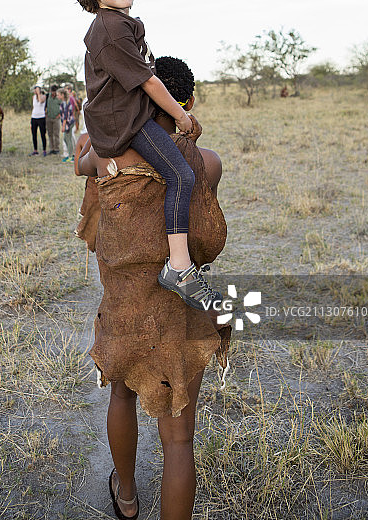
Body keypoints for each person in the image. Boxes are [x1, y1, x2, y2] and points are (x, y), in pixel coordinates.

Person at [74, 55, 229, 520]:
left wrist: (93, 140)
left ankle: (126, 498)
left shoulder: (108, 159)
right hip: (182, 309)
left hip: (126, 309)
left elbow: (82, 161)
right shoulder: (207, 163)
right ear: (190, 102)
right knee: (179, 439)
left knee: (121, 394)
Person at [72, 0, 220, 312]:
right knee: (183, 175)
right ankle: (180, 267)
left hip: (122, 115)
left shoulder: (122, 24)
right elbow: (149, 82)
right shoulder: (110, 28)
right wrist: (183, 117)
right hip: (126, 122)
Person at [30, 85, 47, 157]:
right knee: (34, 134)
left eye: (36, 90)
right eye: (35, 90)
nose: (35, 91)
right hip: (34, 117)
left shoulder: (43, 96)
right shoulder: (33, 97)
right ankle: (35, 150)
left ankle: (44, 150)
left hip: (41, 117)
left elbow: (40, 101)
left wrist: (39, 93)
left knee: (42, 134)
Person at [59, 88, 75, 162]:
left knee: (68, 139)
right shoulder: (63, 102)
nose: (57, 96)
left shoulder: (67, 103)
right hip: (67, 123)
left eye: (58, 95)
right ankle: (70, 154)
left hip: (68, 123)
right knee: (66, 139)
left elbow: (65, 116)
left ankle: (71, 156)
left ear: (62, 95)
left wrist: (63, 126)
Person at [45, 84, 61, 154]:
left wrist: (60, 115)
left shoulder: (59, 98)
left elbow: (63, 106)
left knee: (56, 134)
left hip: (56, 118)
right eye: (52, 91)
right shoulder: (47, 96)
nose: (53, 93)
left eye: (54, 92)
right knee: (50, 134)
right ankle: (51, 148)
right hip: (48, 117)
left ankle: (56, 149)